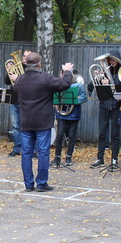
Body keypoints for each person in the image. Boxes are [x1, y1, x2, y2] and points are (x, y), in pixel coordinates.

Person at [13, 52, 73, 192]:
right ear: (39, 64)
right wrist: (67, 71)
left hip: (26, 122)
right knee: (43, 152)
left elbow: (17, 88)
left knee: (26, 153)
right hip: (43, 122)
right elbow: (65, 84)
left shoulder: (19, 80)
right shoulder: (45, 78)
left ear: (25, 63)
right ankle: (41, 183)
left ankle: (28, 184)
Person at [88, 50, 121, 169]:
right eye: (110, 60)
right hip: (104, 105)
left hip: (116, 106)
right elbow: (90, 86)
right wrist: (97, 77)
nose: (111, 62)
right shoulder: (104, 72)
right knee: (102, 132)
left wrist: (110, 84)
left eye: (113, 60)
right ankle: (100, 158)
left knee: (115, 134)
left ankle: (114, 159)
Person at [53, 70, 87, 167]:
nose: (61, 76)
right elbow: (55, 97)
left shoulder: (77, 86)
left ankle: (68, 157)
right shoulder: (59, 85)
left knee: (72, 136)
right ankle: (57, 157)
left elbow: (84, 97)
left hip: (73, 114)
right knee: (59, 136)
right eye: (61, 74)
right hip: (61, 114)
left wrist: (74, 100)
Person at [6, 50, 33, 157]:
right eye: (24, 56)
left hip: (28, 101)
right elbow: (7, 81)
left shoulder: (33, 69)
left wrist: (19, 78)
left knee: (30, 126)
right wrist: (9, 71)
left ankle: (32, 150)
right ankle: (17, 148)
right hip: (15, 100)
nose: (25, 58)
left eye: (28, 56)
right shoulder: (17, 67)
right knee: (16, 126)